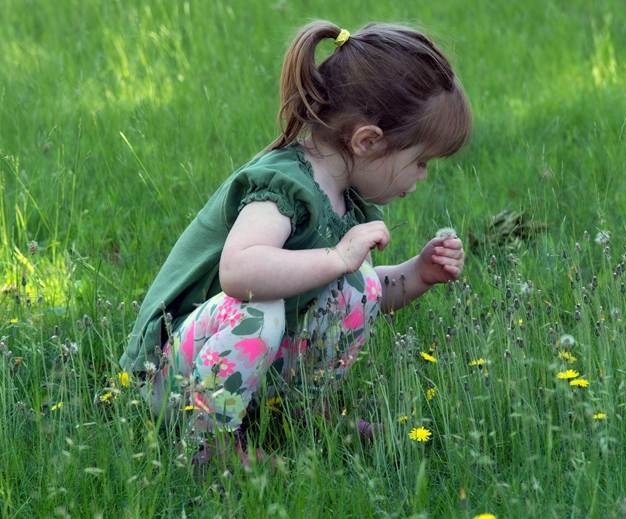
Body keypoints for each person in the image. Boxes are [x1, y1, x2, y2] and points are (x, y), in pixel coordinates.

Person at [119, 20, 471, 467]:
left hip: (232, 370)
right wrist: (338, 256)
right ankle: (210, 444)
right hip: (172, 375)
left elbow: (359, 290)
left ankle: (300, 417)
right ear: (367, 141)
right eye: (419, 162)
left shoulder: (349, 201)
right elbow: (239, 274)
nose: (421, 178)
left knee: (360, 288)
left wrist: (418, 273)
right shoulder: (284, 185)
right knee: (261, 305)